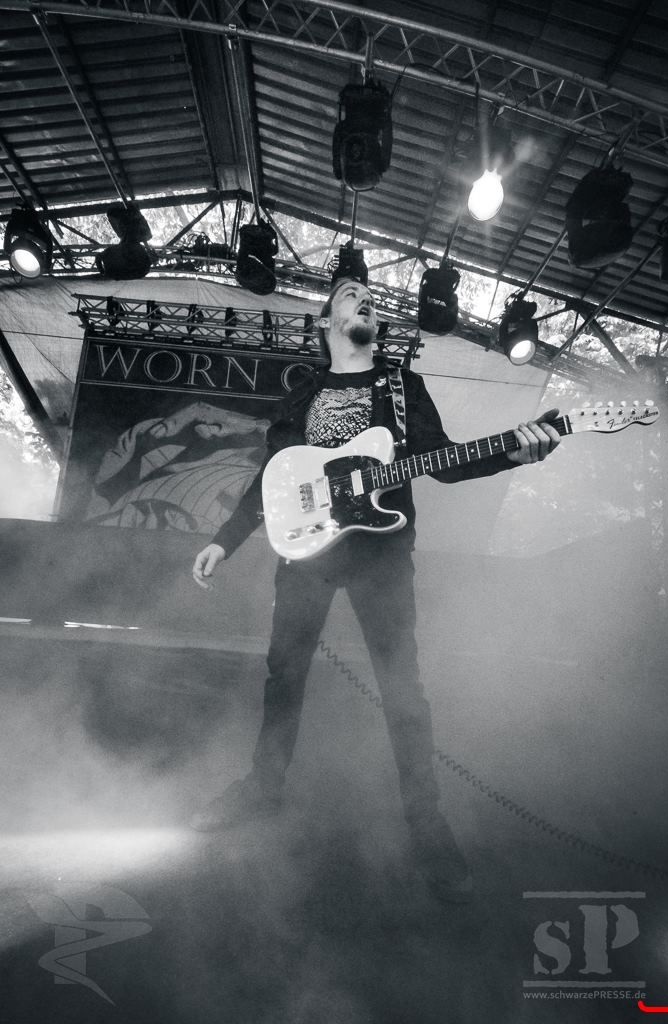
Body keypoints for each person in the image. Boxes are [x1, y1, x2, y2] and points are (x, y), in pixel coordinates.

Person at [191, 278, 561, 901]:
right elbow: (273, 482)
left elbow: (444, 461)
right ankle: (262, 788)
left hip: (381, 554)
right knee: (284, 674)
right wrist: (225, 540)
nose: (364, 298)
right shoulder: (304, 393)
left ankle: (426, 822)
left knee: (401, 685)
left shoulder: (401, 387)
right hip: (307, 553)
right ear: (324, 322)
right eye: (348, 293)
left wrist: (514, 454)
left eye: (368, 295)